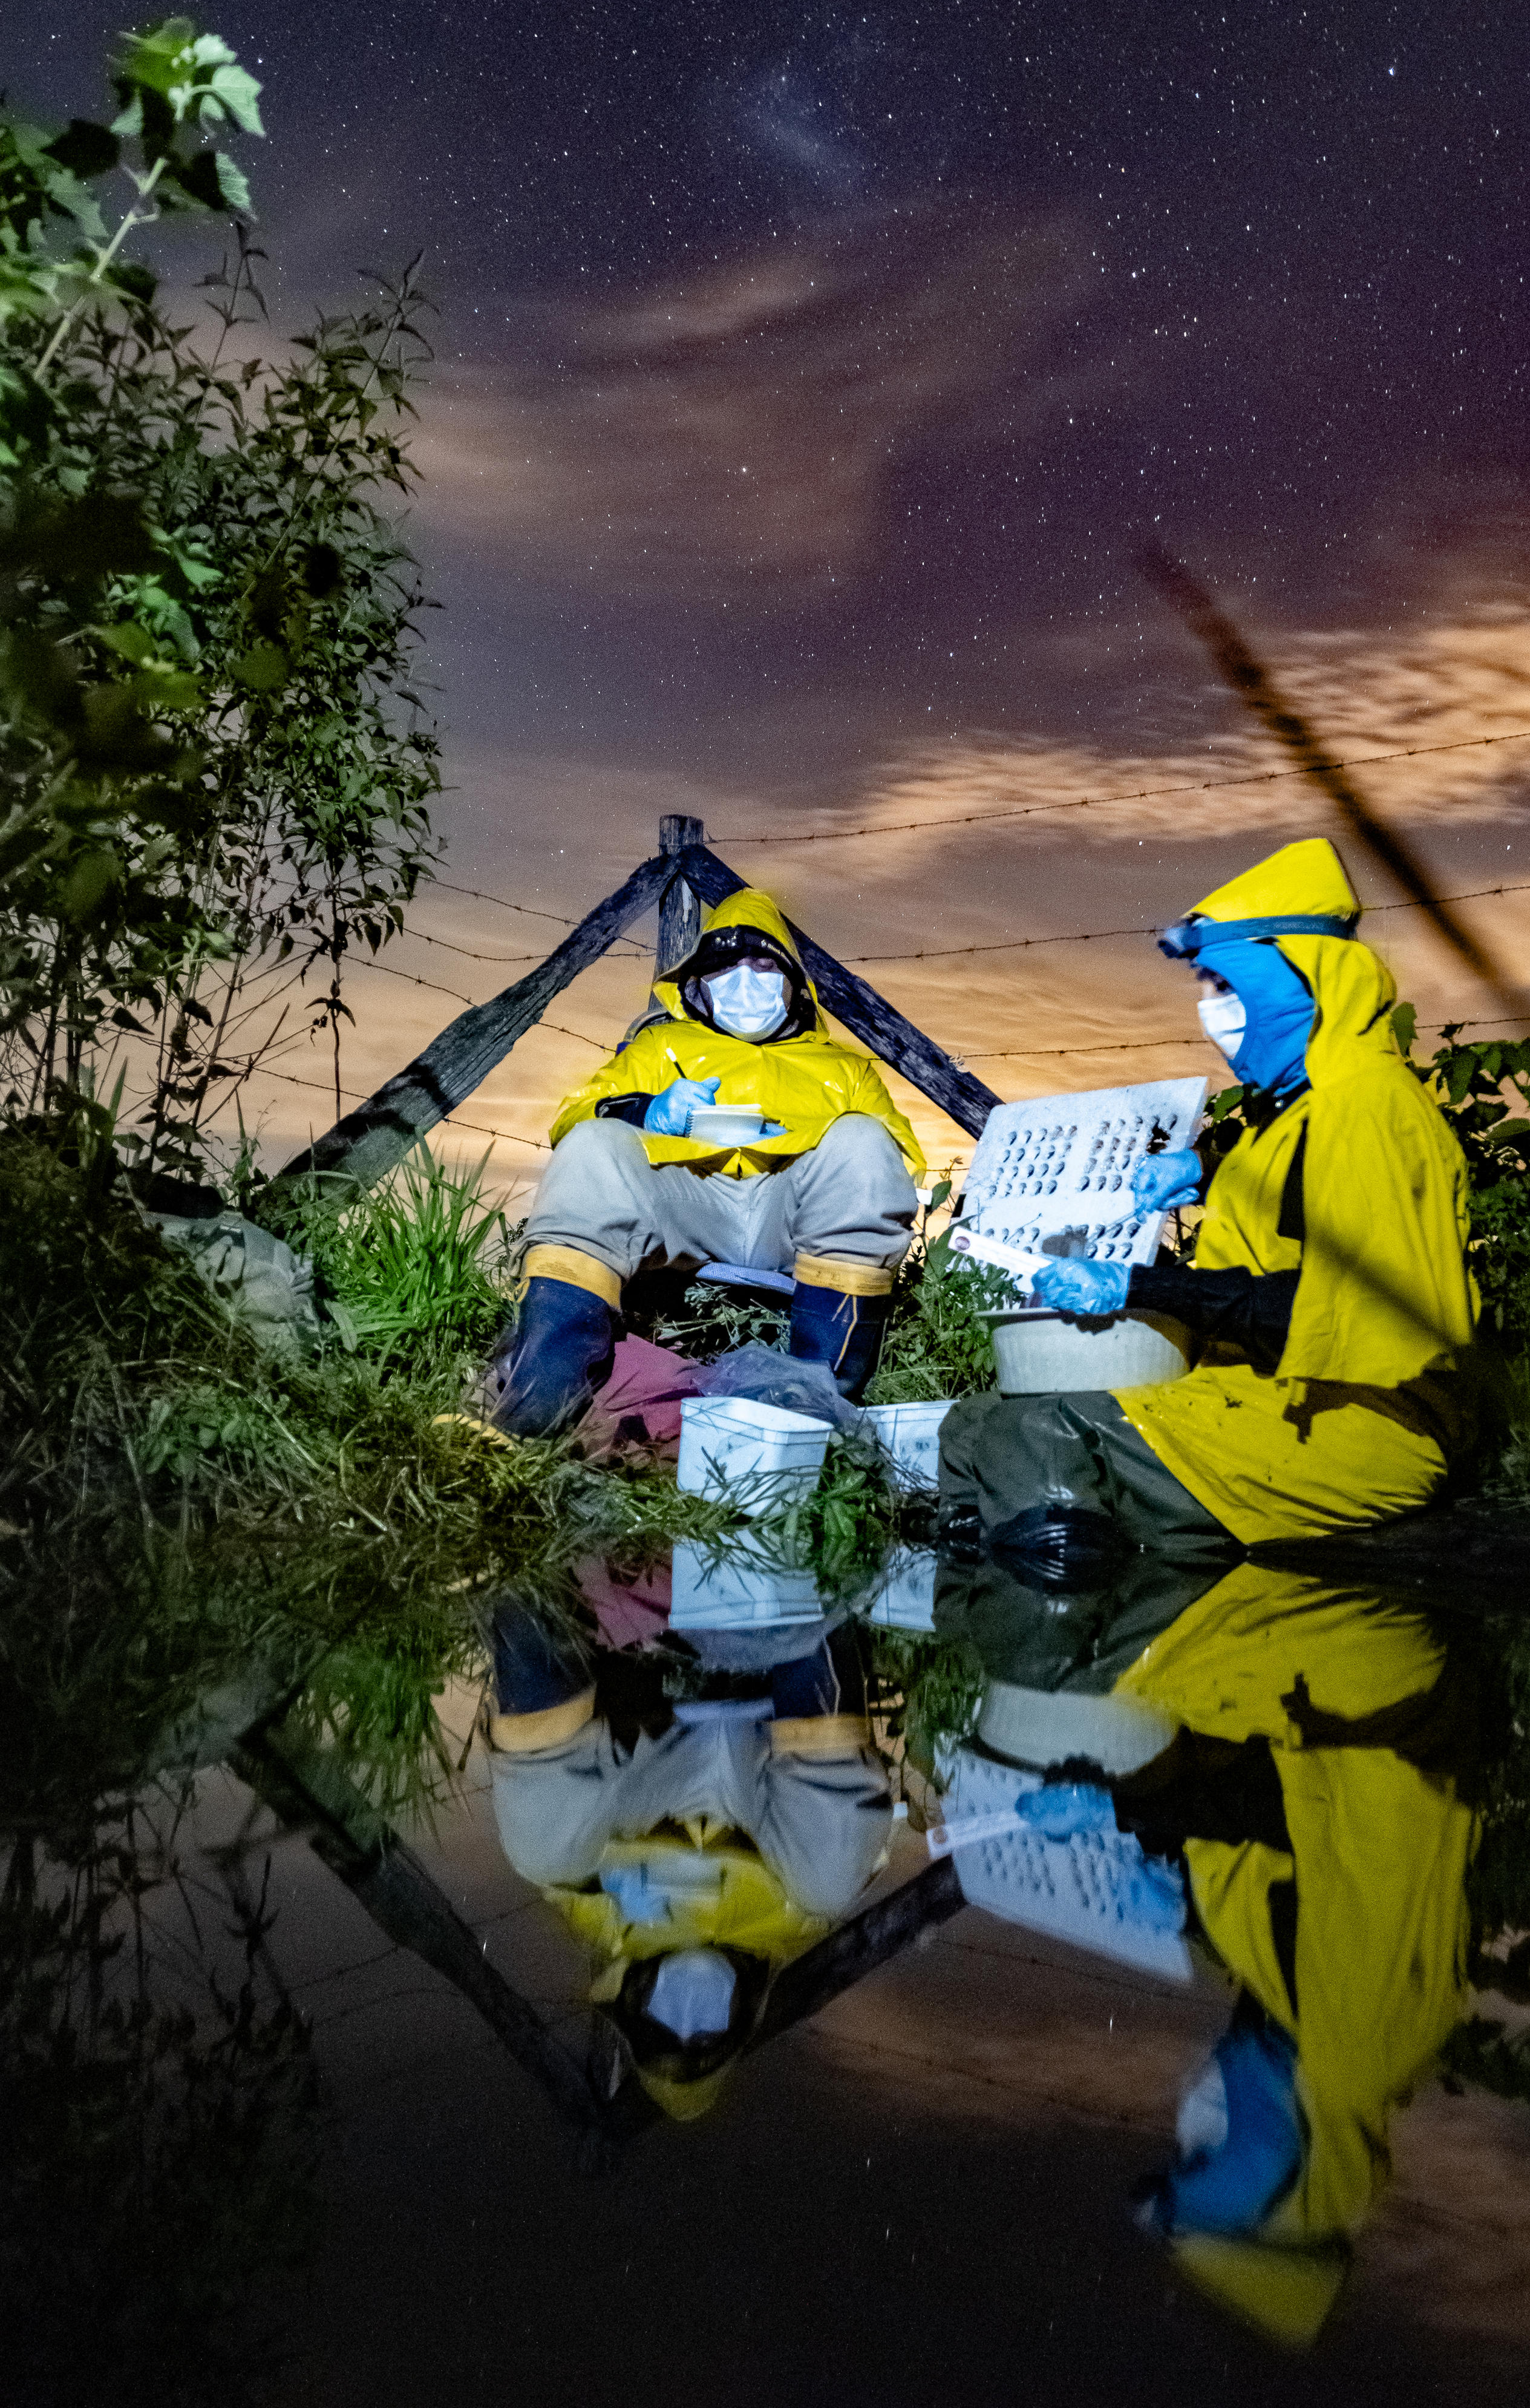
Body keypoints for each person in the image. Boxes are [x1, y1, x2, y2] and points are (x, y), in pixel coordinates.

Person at [939, 837, 1477, 1551]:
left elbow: (1314, 1311)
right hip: (1271, 1394)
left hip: (1359, 1424)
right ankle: (1020, 1572)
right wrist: (1208, 1171)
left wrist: (1139, 1285)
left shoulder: (1367, 1110)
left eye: (1225, 986)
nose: (1208, 1010)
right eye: (1203, 988)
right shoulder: (1306, 1103)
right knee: (969, 1426)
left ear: (1301, 979)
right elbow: (1303, 1198)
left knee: (1036, 1435)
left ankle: (1082, 1622)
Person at [1017, 1560, 1478, 2345]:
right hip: (1362, 1692)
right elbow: (1290, 1814)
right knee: (1075, 1640)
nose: (1191, 2118)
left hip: (1329, 1706)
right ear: (1288, 2184)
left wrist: (1179, 1893)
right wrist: (1129, 1809)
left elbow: (1283, 1875)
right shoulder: (1354, 2049)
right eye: (1204, 2155)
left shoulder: (1306, 2041)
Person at [495, 888, 926, 1432]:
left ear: (795, 983)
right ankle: (534, 1410)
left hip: (793, 1215)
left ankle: (817, 1407)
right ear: (698, 983)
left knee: (864, 1142)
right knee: (592, 1150)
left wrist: (802, 1139)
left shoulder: (845, 1069)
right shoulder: (662, 1047)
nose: (745, 979)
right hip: (688, 1201)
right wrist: (649, 1112)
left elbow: (900, 1158)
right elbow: (576, 1117)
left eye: (764, 963)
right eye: (726, 966)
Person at [483, 1598, 892, 2120]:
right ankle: (806, 1609)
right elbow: (856, 1833)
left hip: (647, 1715)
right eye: (704, 2032)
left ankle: (529, 1604)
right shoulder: (795, 1920)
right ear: (742, 2019)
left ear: (632, 2009)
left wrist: (604, 1884)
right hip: (767, 1719)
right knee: (828, 1880)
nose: (686, 2016)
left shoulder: (603, 1921)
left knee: (541, 1855)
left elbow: (559, 1859)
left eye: (665, 2026)